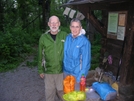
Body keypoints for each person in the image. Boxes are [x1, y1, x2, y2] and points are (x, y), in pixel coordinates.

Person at [38, 15, 68, 101]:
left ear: (59, 24)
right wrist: (40, 69)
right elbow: (40, 54)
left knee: (63, 94)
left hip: (61, 71)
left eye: (56, 22)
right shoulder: (43, 38)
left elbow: (74, 42)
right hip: (48, 72)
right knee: (49, 93)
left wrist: (80, 33)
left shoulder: (65, 35)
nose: (54, 24)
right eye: (52, 22)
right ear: (48, 24)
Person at [63, 18, 91, 90]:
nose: (74, 29)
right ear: (70, 27)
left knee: (76, 96)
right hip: (66, 72)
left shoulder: (85, 42)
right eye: (73, 26)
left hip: (77, 74)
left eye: (77, 27)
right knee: (67, 94)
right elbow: (65, 55)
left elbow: (86, 62)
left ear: (81, 28)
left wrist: (80, 77)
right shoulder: (67, 38)